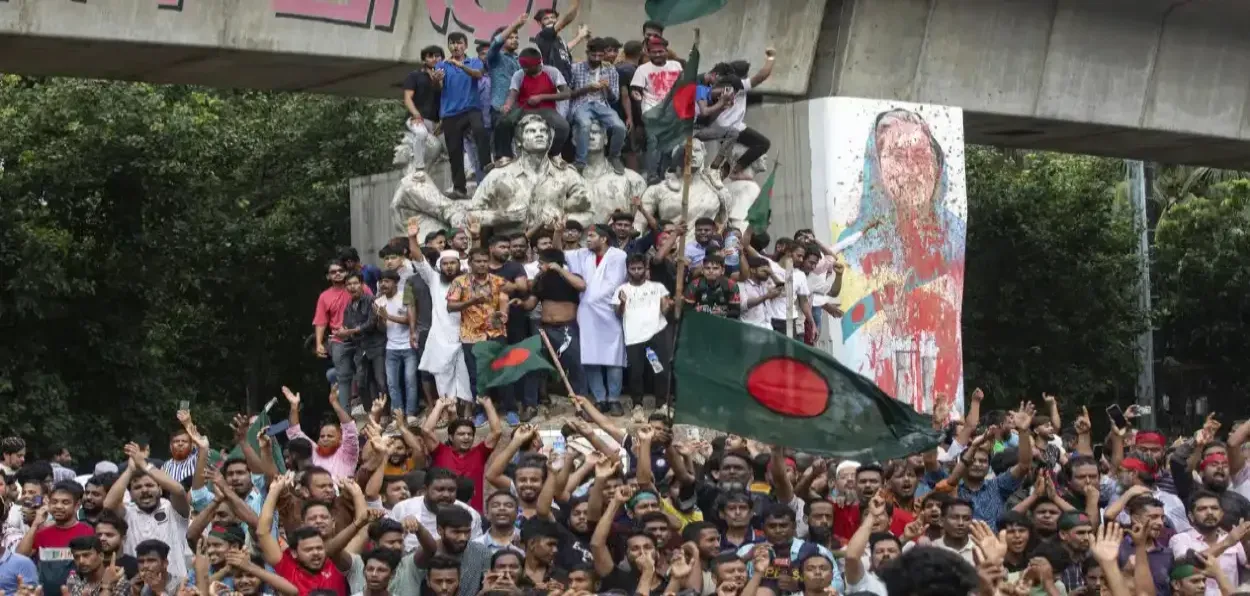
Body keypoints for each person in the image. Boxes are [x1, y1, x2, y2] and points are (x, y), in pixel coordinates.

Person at [562, 223, 628, 415]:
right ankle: (600, 399)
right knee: (591, 358)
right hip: (588, 313)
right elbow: (561, 253)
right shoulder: (584, 254)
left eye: (591, 236)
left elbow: (614, 283)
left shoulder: (618, 255)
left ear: (604, 238)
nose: (587, 240)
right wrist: (558, 232)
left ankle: (614, 399)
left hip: (610, 311)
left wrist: (593, 296)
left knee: (614, 358)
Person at [101, 443, 192, 580]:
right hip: (136, 585)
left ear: (160, 489)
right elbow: (108, 505)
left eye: (149, 485)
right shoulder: (127, 513)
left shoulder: (173, 510)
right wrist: (130, 470)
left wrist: (144, 465)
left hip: (175, 585)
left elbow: (179, 490)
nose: (144, 490)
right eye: (137, 487)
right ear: (130, 494)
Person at [446, 247, 512, 421]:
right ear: (469, 263)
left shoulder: (498, 281)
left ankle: (509, 410)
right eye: (478, 261)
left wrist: (503, 314)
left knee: (503, 371)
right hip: (471, 335)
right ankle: (481, 412)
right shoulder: (459, 282)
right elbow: (450, 306)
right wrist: (472, 301)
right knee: (477, 375)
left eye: (485, 261)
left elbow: (504, 301)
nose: (482, 264)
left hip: (496, 332)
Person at [416, 397, 502, 512]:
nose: (466, 437)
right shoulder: (440, 451)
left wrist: (488, 404)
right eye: (461, 434)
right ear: (451, 437)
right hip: (441, 514)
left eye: (469, 434)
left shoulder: (480, 453)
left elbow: (497, 432)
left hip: (472, 515)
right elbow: (426, 431)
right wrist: (439, 406)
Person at [522, 248, 587, 397]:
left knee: (576, 365)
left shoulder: (571, 277)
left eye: (541, 263)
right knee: (534, 364)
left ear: (551, 264)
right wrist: (520, 303)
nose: (538, 266)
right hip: (544, 329)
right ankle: (532, 402)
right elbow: (531, 304)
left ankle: (582, 402)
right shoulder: (540, 279)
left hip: (566, 329)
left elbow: (582, 286)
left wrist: (559, 269)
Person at [612, 254, 672, 409]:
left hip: (657, 333)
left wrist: (668, 304)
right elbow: (617, 313)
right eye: (633, 268)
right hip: (634, 336)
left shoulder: (657, 287)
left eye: (640, 268)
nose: (637, 271)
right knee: (636, 372)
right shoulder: (621, 289)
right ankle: (637, 405)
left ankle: (661, 404)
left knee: (660, 369)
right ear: (628, 270)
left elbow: (665, 310)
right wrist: (623, 302)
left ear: (646, 269)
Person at [436, 32, 491, 200]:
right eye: (452, 43)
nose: (455, 46)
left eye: (459, 43)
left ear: (465, 46)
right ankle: (460, 188)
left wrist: (460, 65)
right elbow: (438, 85)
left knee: (480, 131)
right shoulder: (442, 64)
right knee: (454, 152)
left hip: (470, 108)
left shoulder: (474, 61)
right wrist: (437, 79)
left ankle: (487, 166)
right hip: (450, 113)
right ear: (449, 46)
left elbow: (478, 74)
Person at [16, 480, 94, 593]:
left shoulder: (87, 532)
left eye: (65, 502)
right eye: (54, 502)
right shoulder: (41, 533)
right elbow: (20, 557)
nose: (58, 506)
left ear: (77, 505)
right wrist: (35, 524)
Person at [314, 260, 372, 409]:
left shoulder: (360, 287)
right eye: (333, 272)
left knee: (365, 374)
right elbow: (321, 321)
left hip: (362, 337)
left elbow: (374, 307)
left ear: (346, 272)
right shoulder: (324, 296)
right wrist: (319, 343)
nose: (337, 273)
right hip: (339, 340)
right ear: (328, 276)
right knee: (343, 377)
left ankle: (371, 410)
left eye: (340, 270)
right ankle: (346, 418)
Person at [497, 48, 573, 159]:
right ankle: (505, 156)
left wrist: (542, 97)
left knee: (564, 127)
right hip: (524, 109)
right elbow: (512, 94)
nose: (525, 69)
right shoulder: (519, 74)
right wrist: (507, 105)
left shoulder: (552, 72)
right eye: (523, 67)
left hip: (547, 109)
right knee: (503, 123)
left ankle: (553, 155)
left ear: (538, 64)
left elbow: (567, 94)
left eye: (528, 67)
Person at [570, 37, 630, 174]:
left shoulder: (610, 71)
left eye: (600, 55)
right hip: (582, 103)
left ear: (604, 55)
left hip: (601, 104)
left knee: (619, 127)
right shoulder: (576, 68)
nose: (597, 58)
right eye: (593, 55)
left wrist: (607, 88)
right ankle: (580, 161)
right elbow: (568, 93)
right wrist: (587, 88)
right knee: (585, 124)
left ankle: (614, 157)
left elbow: (614, 98)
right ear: (587, 53)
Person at [631, 36, 685, 183]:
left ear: (666, 51)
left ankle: (663, 174)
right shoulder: (642, 70)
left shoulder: (676, 66)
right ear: (648, 53)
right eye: (653, 52)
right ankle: (652, 175)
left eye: (660, 51)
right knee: (653, 142)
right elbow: (635, 92)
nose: (657, 55)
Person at [283, 385, 359, 481]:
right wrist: (294, 407)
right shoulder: (313, 451)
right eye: (322, 436)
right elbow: (295, 434)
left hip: (342, 495)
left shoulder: (348, 455)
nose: (325, 439)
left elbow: (350, 430)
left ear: (340, 439)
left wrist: (335, 403)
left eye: (330, 436)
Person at [376, 269, 419, 423]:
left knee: (410, 380)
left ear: (395, 282)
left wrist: (388, 316)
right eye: (381, 281)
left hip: (408, 345)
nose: (383, 284)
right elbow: (382, 329)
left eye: (387, 281)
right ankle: (397, 415)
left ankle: (411, 413)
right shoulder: (379, 302)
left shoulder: (404, 296)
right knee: (392, 383)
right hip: (391, 347)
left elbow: (410, 320)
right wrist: (381, 320)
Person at [341, 272, 387, 403]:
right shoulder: (348, 307)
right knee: (362, 383)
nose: (352, 287)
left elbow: (371, 323)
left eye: (355, 283)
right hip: (360, 348)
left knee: (381, 381)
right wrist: (343, 331)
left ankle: (386, 412)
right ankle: (370, 412)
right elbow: (346, 325)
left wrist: (353, 330)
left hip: (376, 346)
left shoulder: (371, 300)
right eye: (349, 284)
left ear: (362, 285)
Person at [486, 14, 526, 160]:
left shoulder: (520, 61)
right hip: (500, 107)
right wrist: (515, 24)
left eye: (516, 37)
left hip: (519, 108)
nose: (514, 39)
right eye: (511, 37)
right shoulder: (495, 57)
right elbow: (496, 43)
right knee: (503, 153)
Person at [401, 45, 444, 171]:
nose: (434, 59)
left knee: (452, 144)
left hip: (437, 123)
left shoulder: (446, 77)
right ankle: (419, 167)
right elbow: (407, 98)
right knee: (421, 134)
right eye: (430, 56)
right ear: (424, 60)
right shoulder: (415, 76)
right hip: (417, 119)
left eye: (437, 56)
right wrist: (416, 114)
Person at [532, 2, 581, 88]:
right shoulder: (544, 35)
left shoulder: (557, 40)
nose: (550, 20)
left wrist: (580, 36)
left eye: (553, 17)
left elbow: (565, 48)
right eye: (546, 18)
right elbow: (567, 19)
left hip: (566, 84)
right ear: (540, 23)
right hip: (553, 84)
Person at [684, 254, 741, 318]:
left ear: (722, 271)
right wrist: (696, 310)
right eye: (707, 268)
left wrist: (724, 312)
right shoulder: (694, 285)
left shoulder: (731, 285)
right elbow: (686, 311)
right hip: (699, 320)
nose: (711, 271)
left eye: (715, 268)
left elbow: (736, 312)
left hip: (723, 322)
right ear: (702, 270)